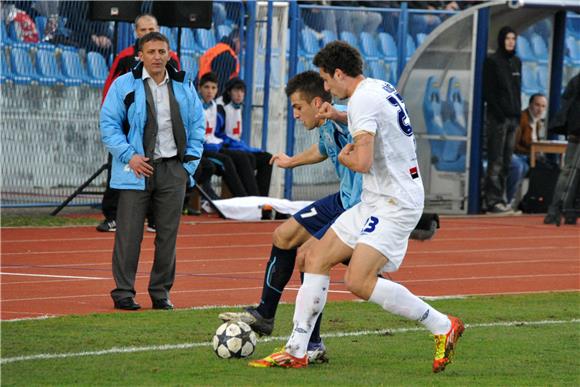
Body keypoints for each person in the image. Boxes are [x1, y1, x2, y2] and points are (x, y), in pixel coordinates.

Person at [249, 41, 463, 372]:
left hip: (394, 201)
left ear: (338, 73)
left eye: (325, 78)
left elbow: (361, 162)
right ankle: (297, 349)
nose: (324, 87)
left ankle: (441, 325)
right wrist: (336, 114)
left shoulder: (363, 100)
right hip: (378, 197)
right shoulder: (377, 87)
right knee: (313, 257)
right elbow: (368, 118)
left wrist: (346, 156)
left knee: (358, 282)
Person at [220, 70, 360, 363]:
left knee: (311, 258)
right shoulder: (324, 124)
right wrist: (292, 161)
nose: (295, 114)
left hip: (359, 206)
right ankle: (265, 314)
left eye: (298, 107)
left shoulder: (347, 118)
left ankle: (312, 342)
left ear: (318, 102)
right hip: (342, 198)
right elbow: (323, 150)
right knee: (283, 236)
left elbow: (368, 134)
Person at [100, 32, 204, 310]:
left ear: (169, 54)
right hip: (135, 170)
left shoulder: (184, 85)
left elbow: (197, 126)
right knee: (128, 234)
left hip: (173, 170)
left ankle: (160, 293)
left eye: (162, 51)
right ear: (140, 55)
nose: (157, 57)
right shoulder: (124, 85)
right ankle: (123, 292)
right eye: (151, 52)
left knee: (167, 236)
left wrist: (188, 167)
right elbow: (108, 126)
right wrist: (129, 156)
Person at [97, 14, 181, 232]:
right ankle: (113, 216)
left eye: (150, 28)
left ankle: (153, 218)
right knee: (120, 172)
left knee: (157, 173)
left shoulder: (170, 58)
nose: (147, 33)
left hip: (159, 132)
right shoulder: (124, 57)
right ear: (136, 33)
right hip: (127, 130)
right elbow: (110, 89)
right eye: (142, 30)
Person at [483, 26, 522, 214]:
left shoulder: (516, 62)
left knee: (507, 161)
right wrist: (500, 114)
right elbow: (489, 92)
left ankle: (503, 197)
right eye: (508, 38)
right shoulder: (492, 62)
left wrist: (517, 114)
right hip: (498, 120)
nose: (511, 41)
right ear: (501, 40)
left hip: (513, 119)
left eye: (513, 38)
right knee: (496, 160)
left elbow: (516, 90)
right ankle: (492, 201)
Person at [199, 72, 254, 197]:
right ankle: (242, 200)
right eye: (206, 87)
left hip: (212, 145)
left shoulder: (213, 105)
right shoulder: (196, 106)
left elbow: (212, 134)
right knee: (227, 160)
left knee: (246, 156)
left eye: (213, 88)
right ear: (199, 88)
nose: (210, 91)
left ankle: (254, 198)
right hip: (200, 149)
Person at [219, 78, 273, 197]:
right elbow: (220, 136)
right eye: (236, 90)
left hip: (236, 147)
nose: (239, 94)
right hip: (226, 148)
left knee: (267, 158)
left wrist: (245, 147)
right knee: (247, 157)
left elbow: (236, 137)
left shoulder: (238, 109)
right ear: (229, 92)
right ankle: (252, 198)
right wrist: (243, 147)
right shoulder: (222, 108)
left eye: (242, 91)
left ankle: (262, 200)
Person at [544, 73, 580, 226]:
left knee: (569, 171)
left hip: (574, 129)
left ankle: (556, 211)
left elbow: (567, 104)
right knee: (571, 171)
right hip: (576, 130)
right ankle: (561, 210)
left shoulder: (575, 80)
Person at [507, 93, 548, 206]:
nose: (540, 109)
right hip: (515, 154)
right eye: (537, 105)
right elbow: (514, 145)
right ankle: (508, 201)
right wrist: (531, 153)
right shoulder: (522, 118)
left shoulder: (538, 122)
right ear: (530, 105)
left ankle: (533, 203)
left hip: (526, 155)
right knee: (519, 167)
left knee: (547, 167)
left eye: (543, 106)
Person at [197, 29, 240, 97]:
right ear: (237, 41)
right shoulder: (227, 56)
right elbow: (220, 83)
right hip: (208, 96)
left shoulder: (218, 49)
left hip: (201, 91)